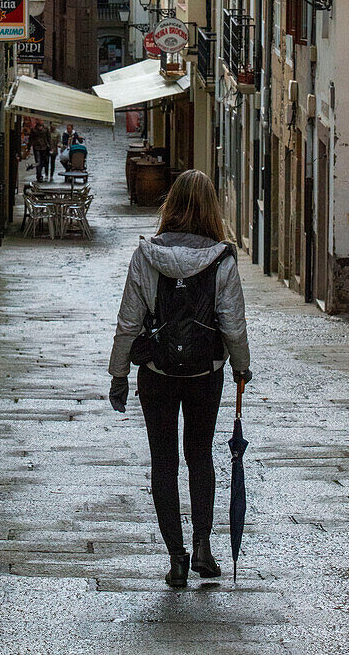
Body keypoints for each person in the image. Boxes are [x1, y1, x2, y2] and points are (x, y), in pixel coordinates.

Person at [108, 170, 251, 589]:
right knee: (200, 455)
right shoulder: (222, 259)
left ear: (170, 205)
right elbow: (233, 324)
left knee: (163, 464)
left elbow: (128, 321)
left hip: (157, 372)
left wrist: (119, 374)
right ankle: (203, 545)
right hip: (206, 373)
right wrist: (241, 366)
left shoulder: (147, 255)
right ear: (211, 208)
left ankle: (176, 558)